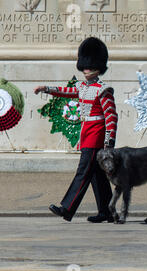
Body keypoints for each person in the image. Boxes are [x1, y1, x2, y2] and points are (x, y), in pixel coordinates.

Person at [34, 37, 118, 223]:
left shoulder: (103, 90)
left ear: (97, 66)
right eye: (84, 66)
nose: (86, 69)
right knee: (97, 176)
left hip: (96, 137)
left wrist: (108, 142)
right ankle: (108, 212)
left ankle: (67, 207)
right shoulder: (82, 87)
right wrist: (45, 89)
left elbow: (111, 117)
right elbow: (65, 91)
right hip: (87, 133)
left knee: (83, 172)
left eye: (89, 66)